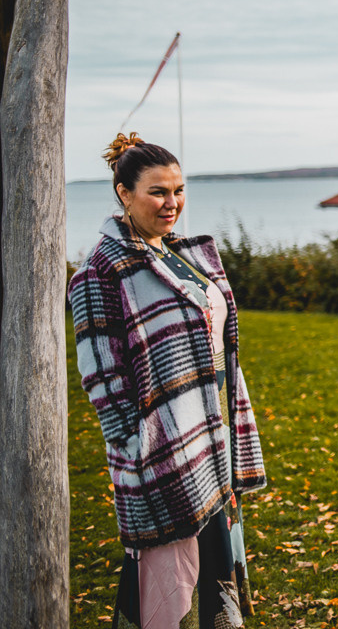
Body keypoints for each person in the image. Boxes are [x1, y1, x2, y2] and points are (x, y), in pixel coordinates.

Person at [69, 132, 267, 628]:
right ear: (123, 193)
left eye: (179, 190)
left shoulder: (184, 255)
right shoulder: (101, 271)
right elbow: (101, 380)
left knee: (217, 571)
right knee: (163, 582)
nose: (172, 203)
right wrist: (138, 452)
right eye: (158, 191)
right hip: (162, 454)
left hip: (210, 439)